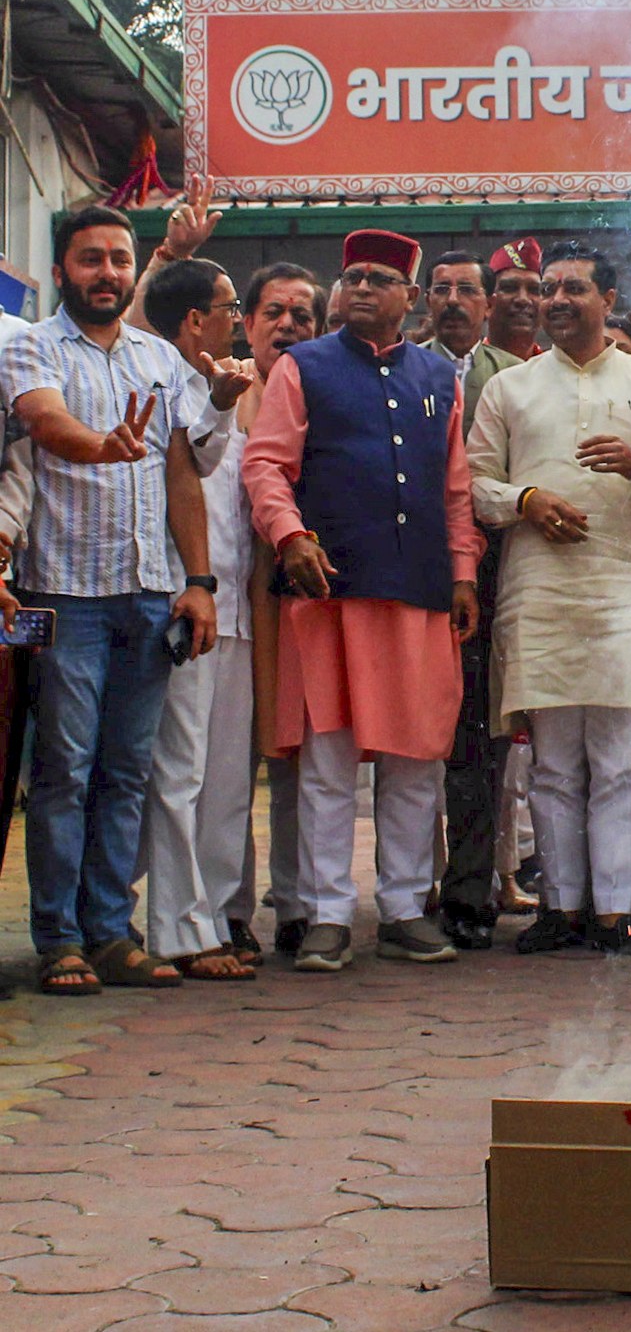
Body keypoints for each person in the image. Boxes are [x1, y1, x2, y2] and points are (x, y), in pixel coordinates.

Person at [241, 229, 483, 972]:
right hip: (327, 590)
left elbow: (455, 487)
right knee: (327, 759)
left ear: (409, 298)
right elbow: (265, 465)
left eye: (380, 278)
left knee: (414, 758)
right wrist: (289, 537)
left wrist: (465, 572)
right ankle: (326, 915)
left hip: (416, 589)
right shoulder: (301, 368)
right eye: (352, 277)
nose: (361, 289)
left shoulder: (440, 378)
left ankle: (408, 908)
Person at [2, 205, 218, 995]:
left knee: (126, 772)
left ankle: (108, 931)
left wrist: (199, 582)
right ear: (62, 271)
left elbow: (180, 473)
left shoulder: (159, 359)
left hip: (149, 596)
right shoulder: (30, 346)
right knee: (64, 771)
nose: (108, 274)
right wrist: (100, 446)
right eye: (90, 260)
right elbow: (46, 423)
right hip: (64, 595)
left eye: (120, 260)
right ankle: (58, 937)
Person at [469, 242, 631, 956]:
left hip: (629, 588)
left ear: (609, 300)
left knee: (624, 762)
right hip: (539, 591)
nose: (557, 300)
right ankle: (561, 909)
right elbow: (478, 487)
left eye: (574, 288)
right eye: (549, 289)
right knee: (552, 764)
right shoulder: (508, 388)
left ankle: (617, 910)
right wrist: (529, 499)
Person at [135, 256, 261, 980]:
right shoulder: (161, 379)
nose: (236, 318)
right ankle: (178, 931)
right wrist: (216, 401)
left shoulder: (232, 381)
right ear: (195, 320)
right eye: (229, 305)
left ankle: (213, 915)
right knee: (179, 770)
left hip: (236, 603)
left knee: (226, 780)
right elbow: (201, 460)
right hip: (188, 600)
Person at [422, 249, 524, 950]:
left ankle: (469, 890)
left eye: (466, 290)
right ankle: (404, 885)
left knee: (480, 744)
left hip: (495, 578)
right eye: (441, 289)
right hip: (413, 578)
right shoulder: (398, 369)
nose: (453, 300)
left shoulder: (519, 380)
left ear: (488, 305)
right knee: (406, 742)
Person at [234, 263, 322, 957]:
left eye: (303, 315)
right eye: (275, 313)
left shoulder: (321, 392)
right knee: (227, 760)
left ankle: (296, 905)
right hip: (226, 609)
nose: (288, 326)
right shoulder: (223, 390)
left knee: (295, 754)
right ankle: (229, 908)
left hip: (293, 603)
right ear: (247, 322)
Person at [486, 239, 545, 362]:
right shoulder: (463, 367)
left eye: (534, 290)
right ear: (488, 302)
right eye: (509, 288)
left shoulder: (557, 372)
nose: (523, 299)